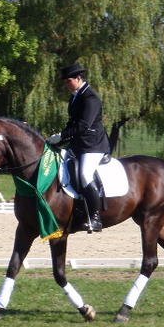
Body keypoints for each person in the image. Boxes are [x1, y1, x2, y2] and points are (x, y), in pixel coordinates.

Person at [46, 62, 110, 232]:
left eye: (69, 81)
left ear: (78, 78)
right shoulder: (75, 97)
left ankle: (95, 217)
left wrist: (62, 136)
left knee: (84, 174)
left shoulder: (91, 98)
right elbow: (72, 123)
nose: (67, 85)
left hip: (93, 145)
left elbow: (83, 125)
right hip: (78, 144)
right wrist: (59, 138)